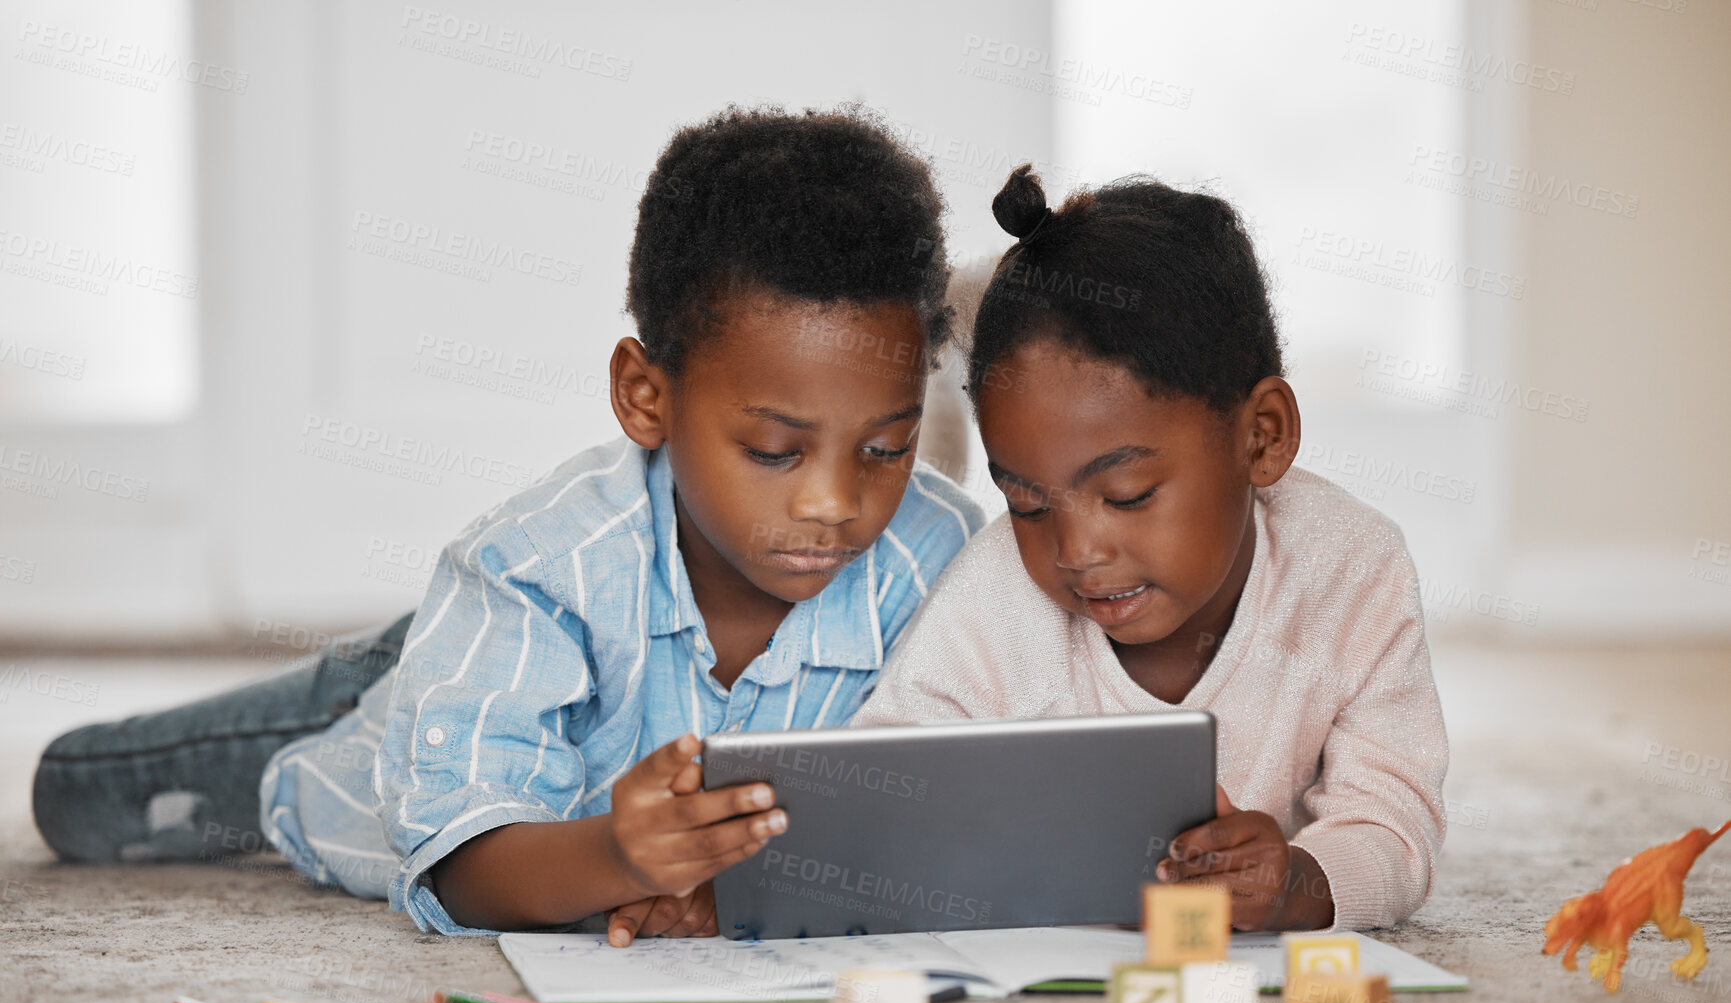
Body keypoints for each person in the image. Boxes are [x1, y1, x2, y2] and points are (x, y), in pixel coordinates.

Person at [33, 106, 984, 941]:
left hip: (510, 668)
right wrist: (617, 854)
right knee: (78, 793)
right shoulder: (532, 571)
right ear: (644, 396)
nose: (833, 502)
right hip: (384, 728)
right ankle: (379, 680)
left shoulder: (941, 554)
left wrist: (724, 887)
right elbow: (467, 864)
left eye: (885, 449)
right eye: (776, 451)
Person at [853, 165, 1448, 931]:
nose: (1076, 549)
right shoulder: (994, 592)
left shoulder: (1353, 570)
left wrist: (1299, 879)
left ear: (1260, 436)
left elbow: (1396, 820)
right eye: (1026, 503)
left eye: (1127, 495)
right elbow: (884, 784)